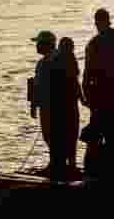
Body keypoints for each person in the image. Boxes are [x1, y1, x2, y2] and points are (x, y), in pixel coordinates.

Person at [84, 27, 114, 170]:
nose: (113, 45)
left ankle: (108, 171)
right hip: (101, 108)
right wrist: (91, 103)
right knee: (96, 142)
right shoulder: (98, 62)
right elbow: (86, 82)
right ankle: (93, 171)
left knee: (113, 143)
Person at [52, 37, 83, 178]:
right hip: (67, 105)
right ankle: (69, 165)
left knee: (66, 135)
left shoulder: (59, 60)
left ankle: (66, 165)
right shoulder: (67, 60)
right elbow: (75, 82)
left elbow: (75, 82)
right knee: (70, 135)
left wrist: (82, 98)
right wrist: (82, 98)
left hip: (64, 105)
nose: (71, 49)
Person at [29, 30, 58, 173]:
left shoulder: (46, 62)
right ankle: (56, 163)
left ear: (46, 44)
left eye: (38, 43)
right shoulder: (51, 60)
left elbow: (39, 86)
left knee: (51, 135)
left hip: (50, 106)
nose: (36, 46)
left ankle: (55, 164)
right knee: (52, 135)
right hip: (50, 105)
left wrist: (35, 105)